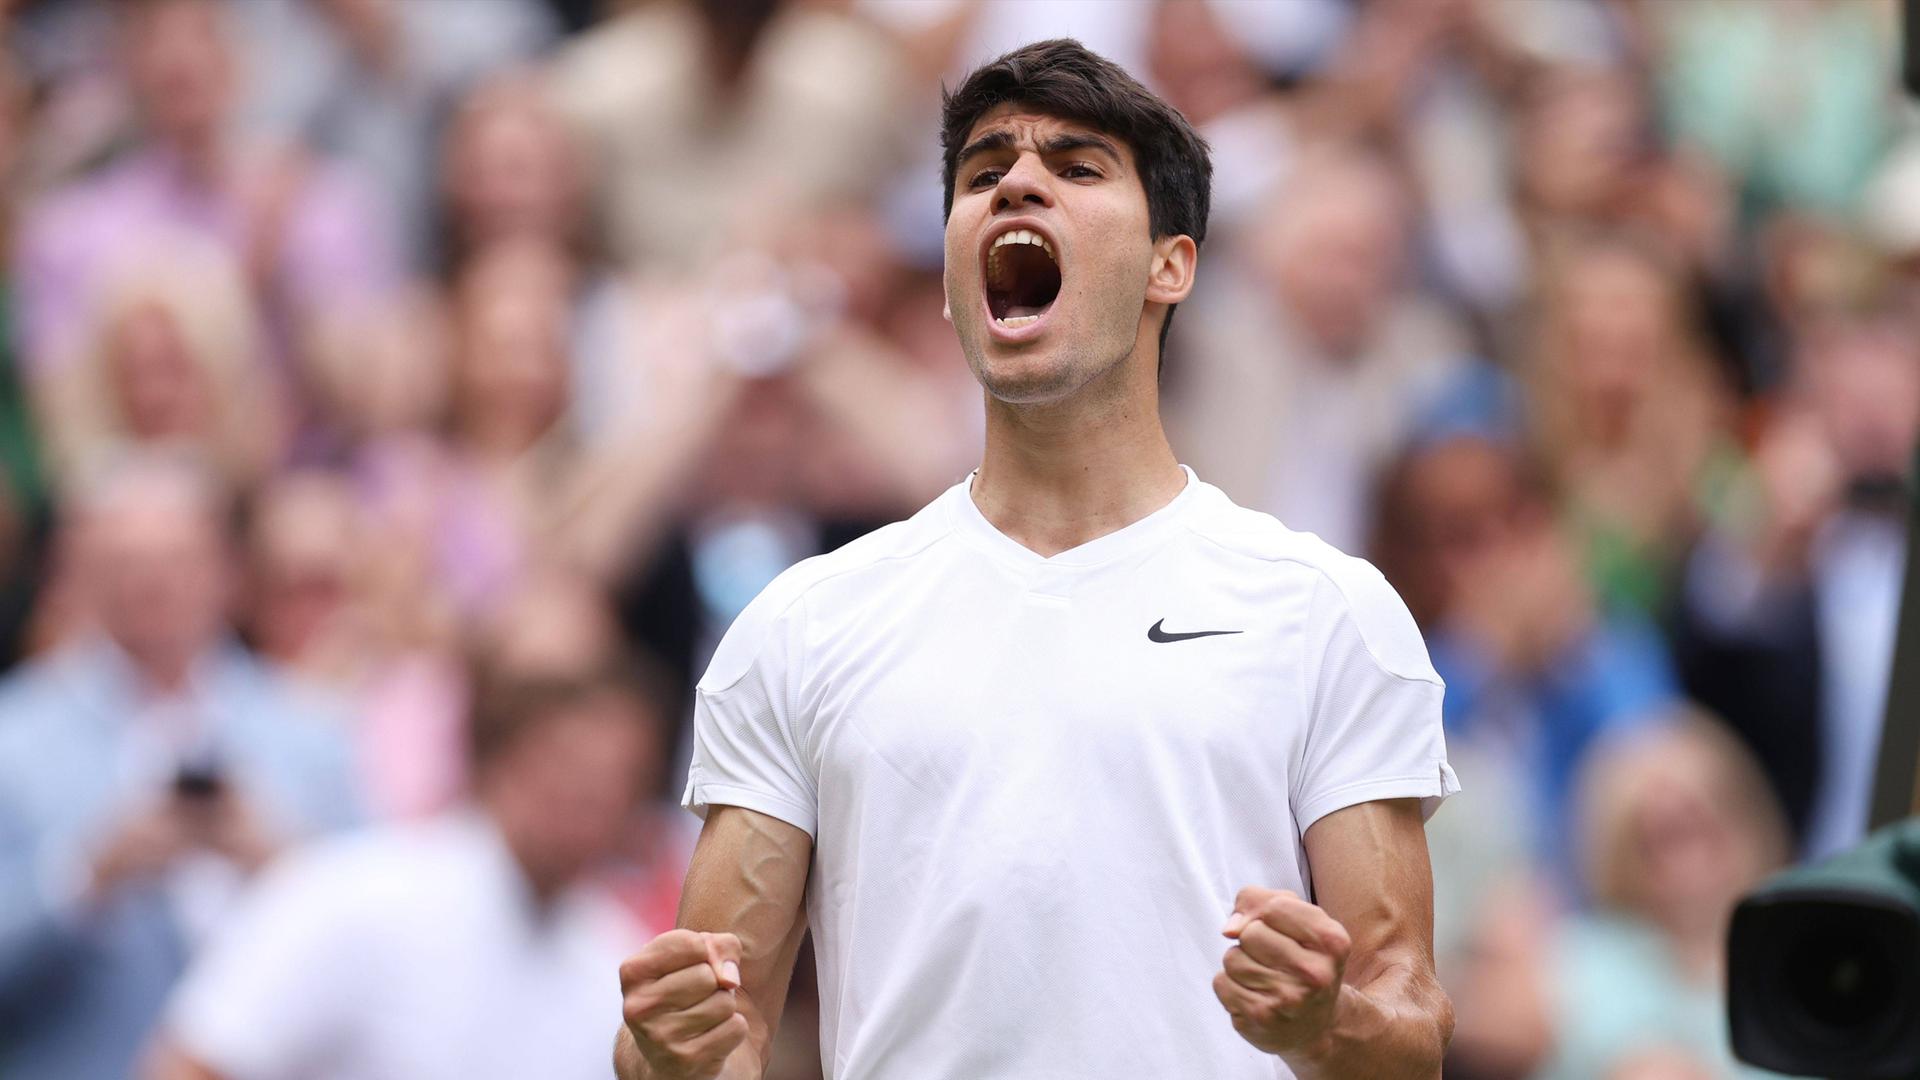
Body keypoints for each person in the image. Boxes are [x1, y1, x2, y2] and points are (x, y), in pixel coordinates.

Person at [615, 39, 1458, 1080]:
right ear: (951, 281)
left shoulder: (1327, 611)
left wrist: (1327, 1024)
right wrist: (666, 1053)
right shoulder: (802, 626)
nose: (1016, 181)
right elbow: (719, 1035)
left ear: (1171, 264)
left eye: (1077, 166)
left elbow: (1407, 1022)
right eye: (983, 174)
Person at [0, 453, 359, 1080]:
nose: (152, 587)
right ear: (81, 576)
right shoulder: (16, 736)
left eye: (176, 562)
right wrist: (88, 875)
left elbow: (384, 942)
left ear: (227, 572)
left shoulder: (314, 733)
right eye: (125, 566)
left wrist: (286, 867)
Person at [147, 664, 665, 1080]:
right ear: (496, 764)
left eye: (614, 780)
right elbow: (197, 1059)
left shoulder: (619, 962)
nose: (586, 796)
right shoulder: (356, 891)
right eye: (566, 766)